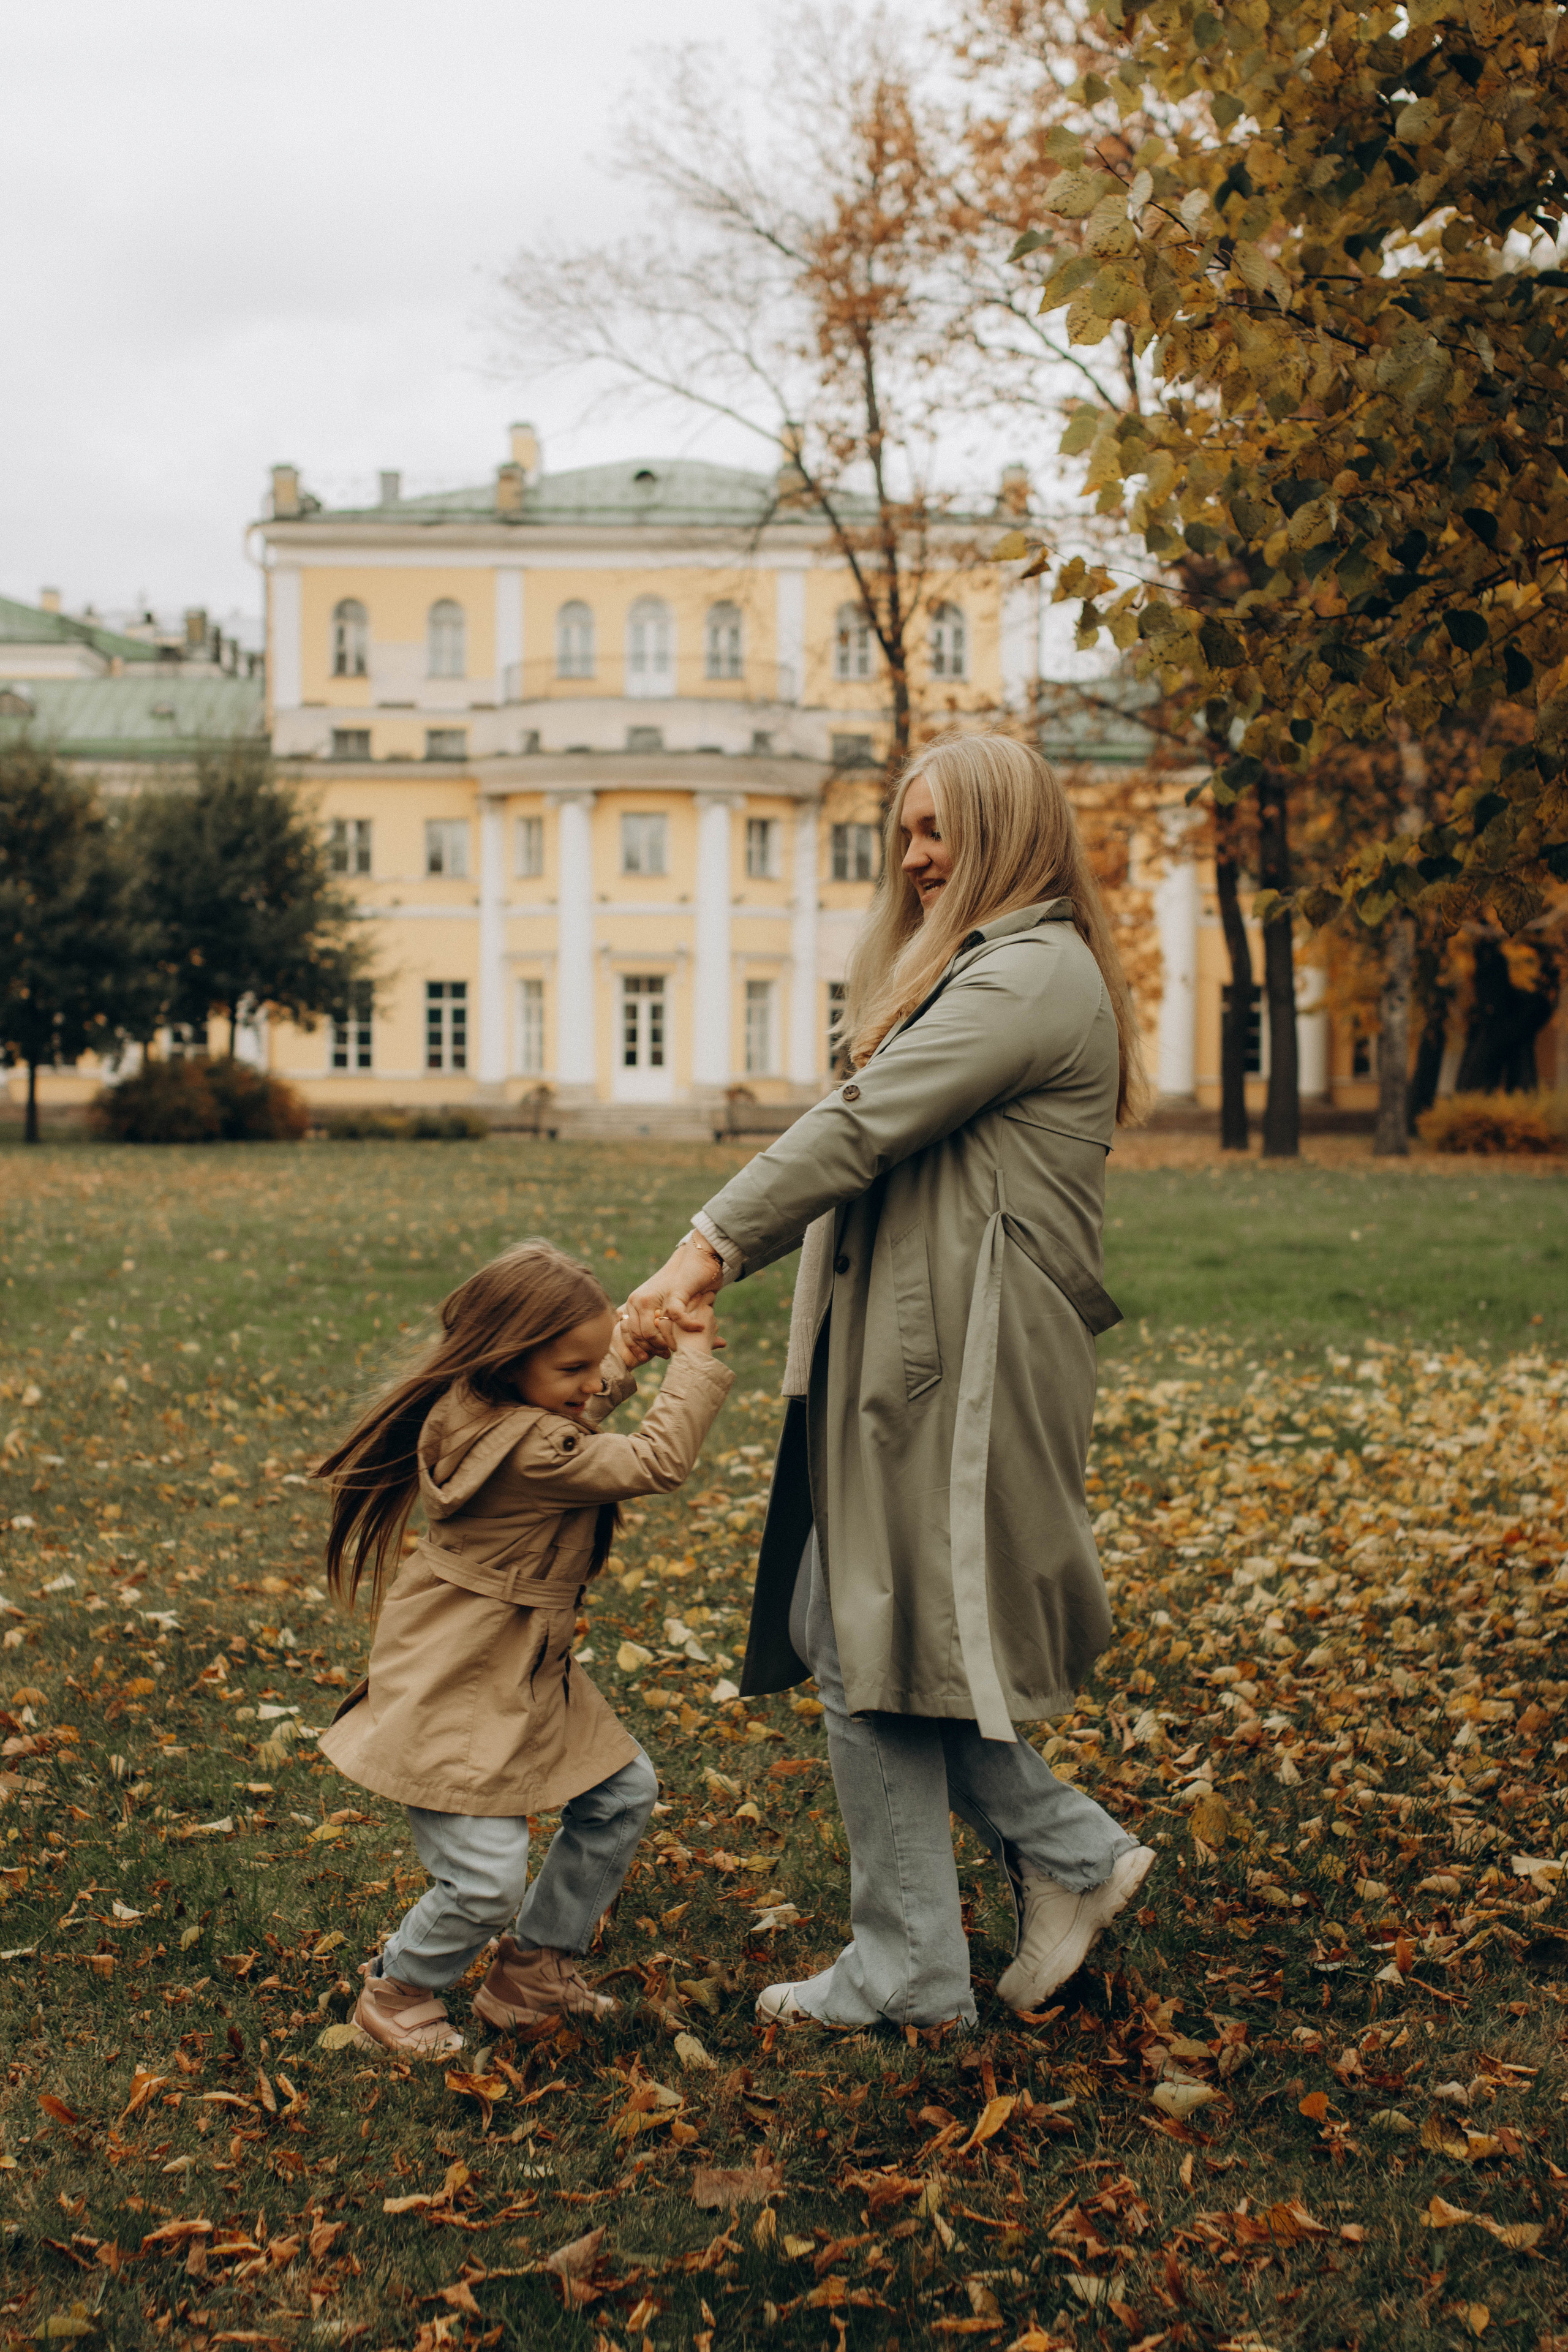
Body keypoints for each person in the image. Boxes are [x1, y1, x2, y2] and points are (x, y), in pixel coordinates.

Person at [624, 732, 1153, 2029]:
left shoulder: (1027, 972)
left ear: (1011, 837)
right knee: (857, 1626)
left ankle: (926, 1951)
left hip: (960, 1364)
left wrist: (703, 1248)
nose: (913, 858)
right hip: (914, 1346)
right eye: (905, 832)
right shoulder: (984, 966)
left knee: (867, 1636)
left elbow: (862, 1129)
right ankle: (1047, 1873)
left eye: (940, 832)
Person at [315, 1240, 731, 2056]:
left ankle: (533, 1968)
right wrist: (687, 1361)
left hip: (518, 1660)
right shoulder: (529, 1449)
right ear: (510, 1363)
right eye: (573, 1369)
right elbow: (655, 1459)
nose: (590, 1386)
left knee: (620, 1796)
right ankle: (397, 1993)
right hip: (463, 1674)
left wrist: (627, 1345)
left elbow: (570, 1403)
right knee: (483, 1880)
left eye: (589, 1365)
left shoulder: (491, 1406)